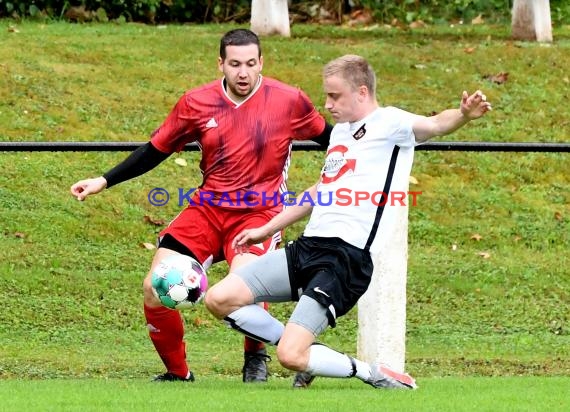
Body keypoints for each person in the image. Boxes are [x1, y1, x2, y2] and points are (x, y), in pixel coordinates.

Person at [205, 54, 492, 389]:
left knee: (289, 357)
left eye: (334, 96)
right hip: (310, 247)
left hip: (345, 259)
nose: (327, 104)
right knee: (219, 298)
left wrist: (462, 115)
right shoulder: (341, 132)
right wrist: (266, 229)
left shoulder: (391, 123)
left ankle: (373, 373)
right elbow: (320, 190)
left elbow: (435, 125)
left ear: (361, 92)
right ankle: (310, 353)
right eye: (326, 95)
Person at [70, 28, 333, 383]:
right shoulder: (196, 102)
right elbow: (155, 150)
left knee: (243, 286)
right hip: (207, 211)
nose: (243, 73)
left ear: (262, 63)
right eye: (235, 64)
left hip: (260, 214)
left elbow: (331, 140)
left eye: (251, 64)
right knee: (154, 286)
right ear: (220, 64)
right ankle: (178, 374)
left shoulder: (289, 100)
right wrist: (103, 180)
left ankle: (258, 356)